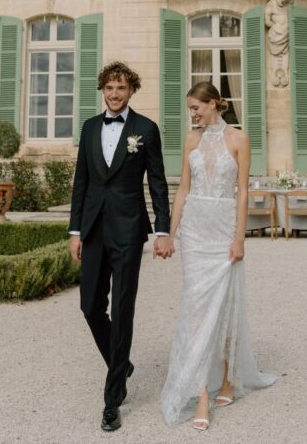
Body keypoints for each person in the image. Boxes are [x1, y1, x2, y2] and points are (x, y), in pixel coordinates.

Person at [160, 82, 276, 429]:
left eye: (196, 108)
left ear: (213, 104)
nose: (192, 114)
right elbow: (183, 188)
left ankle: (227, 379)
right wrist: (169, 233)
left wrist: (240, 238)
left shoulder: (239, 139)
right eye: (190, 109)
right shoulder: (190, 140)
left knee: (226, 306)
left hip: (224, 229)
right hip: (195, 231)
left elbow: (243, 192)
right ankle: (201, 395)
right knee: (195, 309)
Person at [69, 61, 173, 433]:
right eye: (110, 88)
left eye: (121, 88)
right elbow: (81, 182)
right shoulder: (89, 127)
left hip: (129, 229)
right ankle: (121, 363)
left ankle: (112, 399)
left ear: (131, 91)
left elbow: (157, 182)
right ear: (103, 90)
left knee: (123, 308)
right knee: (89, 306)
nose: (115, 94)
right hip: (94, 229)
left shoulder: (146, 129)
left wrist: (163, 230)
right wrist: (75, 231)